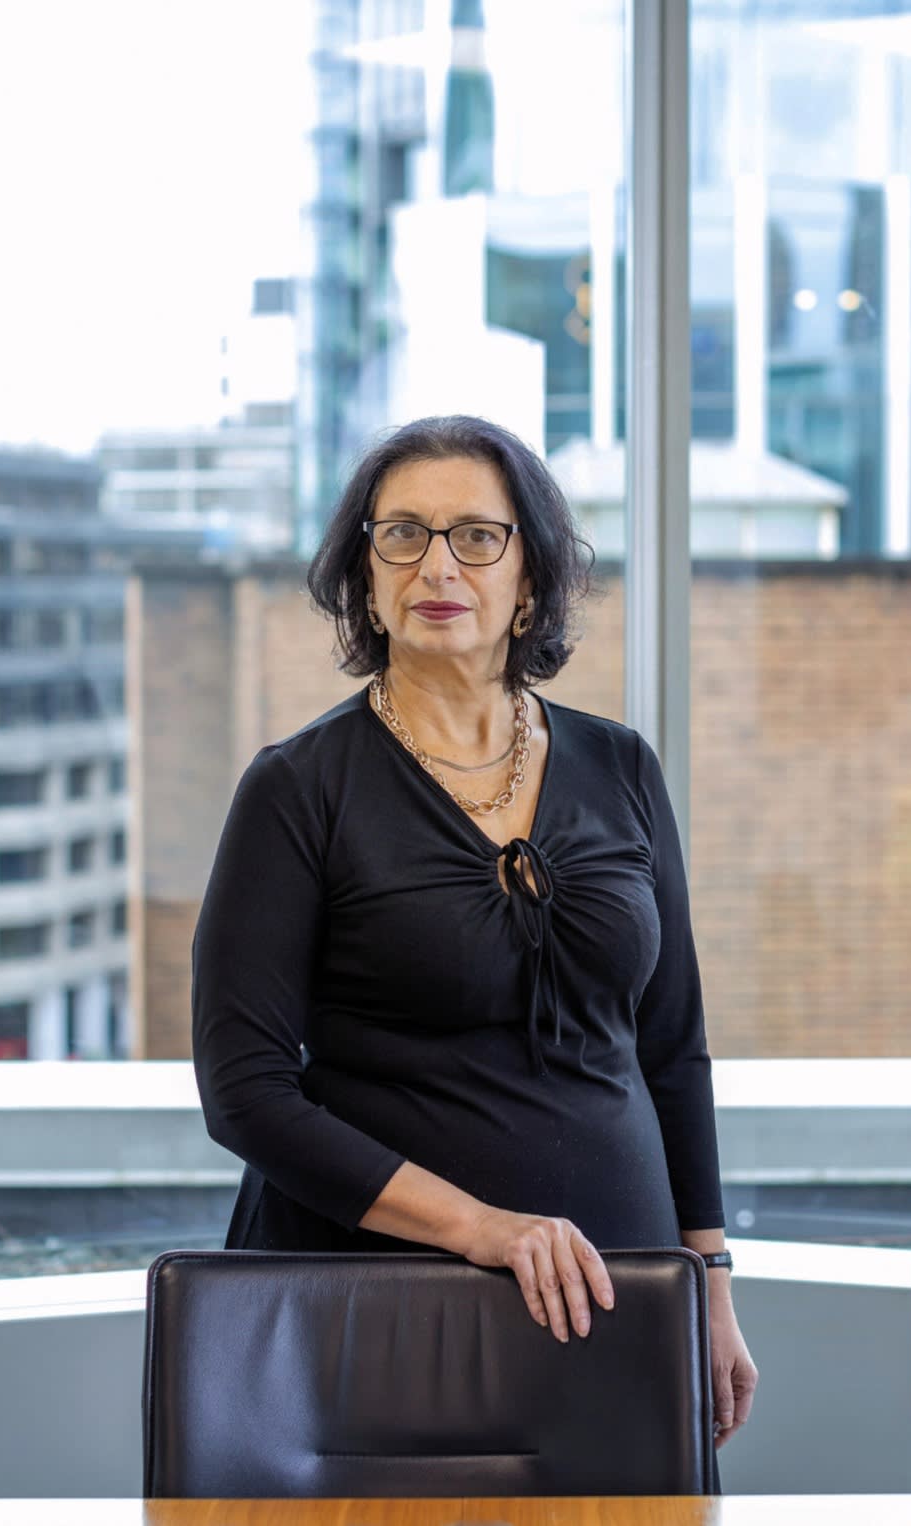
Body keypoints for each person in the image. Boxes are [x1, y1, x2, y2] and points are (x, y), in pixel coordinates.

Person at [192, 414, 759, 1449]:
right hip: (378, 1303)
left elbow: (673, 1048)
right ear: (366, 576)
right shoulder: (296, 789)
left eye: (476, 536)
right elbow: (245, 1092)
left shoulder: (622, 766)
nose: (436, 563)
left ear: (530, 581)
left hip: (617, 1290)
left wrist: (709, 1277)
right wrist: (485, 1230)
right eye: (400, 534)